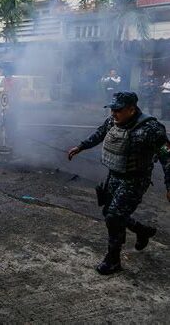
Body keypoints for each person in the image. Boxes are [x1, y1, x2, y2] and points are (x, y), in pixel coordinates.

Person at [67, 91, 170, 275]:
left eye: (118, 110)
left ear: (131, 109)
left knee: (114, 216)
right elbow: (100, 133)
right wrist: (81, 146)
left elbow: (167, 157)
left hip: (135, 180)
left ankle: (113, 260)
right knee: (110, 211)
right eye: (112, 109)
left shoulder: (151, 129)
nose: (113, 114)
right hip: (114, 175)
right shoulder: (113, 121)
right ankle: (142, 230)